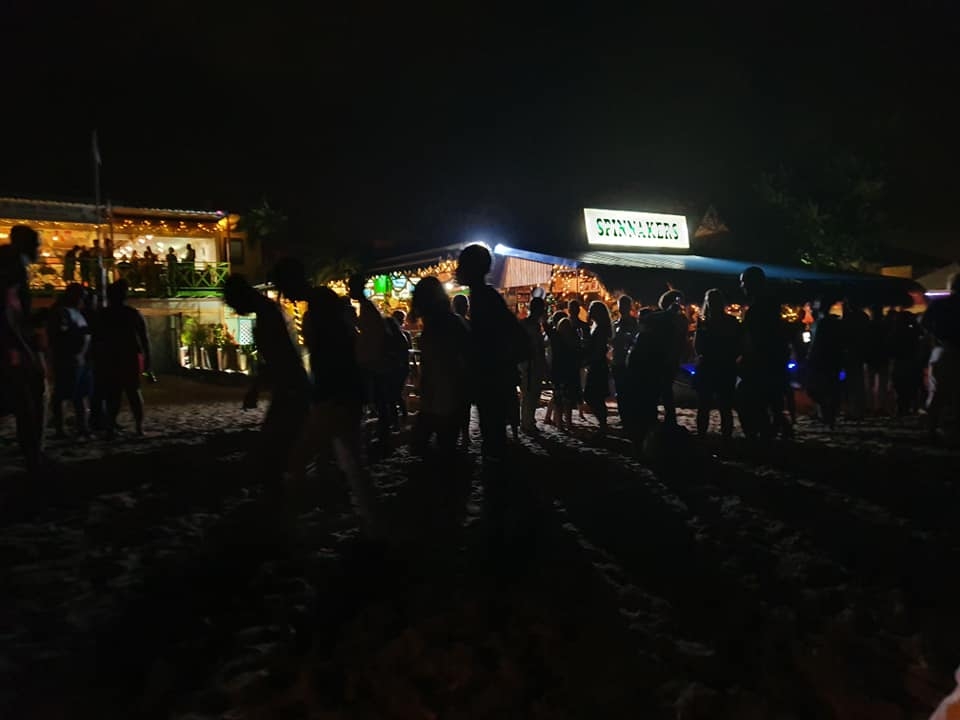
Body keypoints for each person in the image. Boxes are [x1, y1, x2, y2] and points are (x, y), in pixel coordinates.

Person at [271, 260, 380, 538]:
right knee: (351, 461)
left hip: (334, 394)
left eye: (284, 288)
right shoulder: (325, 302)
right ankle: (371, 521)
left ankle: (288, 523)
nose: (285, 295)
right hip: (345, 391)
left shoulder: (318, 307)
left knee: (300, 459)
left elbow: (329, 354)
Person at [455, 244, 528, 537]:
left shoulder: (485, 298)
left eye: (461, 264)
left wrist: (492, 363)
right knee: (492, 436)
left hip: (492, 381)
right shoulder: (483, 297)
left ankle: (500, 509)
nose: (457, 270)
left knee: (493, 437)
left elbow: (509, 339)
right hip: (493, 379)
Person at [224, 274, 310, 495]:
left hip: (290, 385)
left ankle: (280, 490)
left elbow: (275, 357)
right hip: (291, 383)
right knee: (281, 440)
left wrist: (255, 388)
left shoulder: (267, 315)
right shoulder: (269, 311)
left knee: (278, 440)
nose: (235, 309)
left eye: (233, 303)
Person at [0, 225, 47, 473]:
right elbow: (8, 312)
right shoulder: (14, 266)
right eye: (37, 244)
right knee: (29, 400)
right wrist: (22, 344)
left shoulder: (14, 265)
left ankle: (32, 452)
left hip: (15, 342)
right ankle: (33, 454)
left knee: (26, 399)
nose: (40, 250)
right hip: (11, 346)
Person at [410, 276, 470, 455]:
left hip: (443, 396)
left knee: (437, 448)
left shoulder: (438, 326)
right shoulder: (452, 322)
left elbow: (439, 364)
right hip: (449, 396)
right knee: (444, 447)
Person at [738, 266, 790, 440]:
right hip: (771, 362)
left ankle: (761, 436)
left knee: (751, 401)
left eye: (743, 282)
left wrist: (747, 358)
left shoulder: (757, 310)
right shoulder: (771, 305)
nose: (741, 286)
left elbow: (756, 339)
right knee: (769, 402)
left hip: (760, 364)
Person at [95, 280, 150, 438]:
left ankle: (111, 427)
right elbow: (144, 338)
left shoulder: (103, 314)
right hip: (128, 356)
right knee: (133, 392)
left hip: (111, 357)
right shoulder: (132, 314)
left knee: (113, 394)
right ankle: (138, 427)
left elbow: (97, 338)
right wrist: (148, 358)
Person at [693, 289, 741, 439]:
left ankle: (703, 437)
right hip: (724, 366)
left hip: (711, 366)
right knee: (723, 407)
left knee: (706, 406)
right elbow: (738, 345)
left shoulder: (704, 323)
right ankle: (725, 439)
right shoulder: (730, 322)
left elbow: (697, 347)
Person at [48, 283, 92, 438]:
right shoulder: (63, 312)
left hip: (80, 360)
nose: (83, 300)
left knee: (81, 395)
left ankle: (83, 427)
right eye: (82, 297)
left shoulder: (76, 312)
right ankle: (61, 429)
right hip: (69, 360)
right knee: (63, 395)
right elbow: (59, 335)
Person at [921, 272, 960, 441]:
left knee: (937, 392)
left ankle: (931, 428)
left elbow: (924, 323)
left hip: (943, 349)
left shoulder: (940, 304)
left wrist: (936, 337)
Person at [805, 296, 845, 428]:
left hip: (822, 360)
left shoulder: (823, 323)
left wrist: (811, 356)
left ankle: (827, 413)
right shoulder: (831, 322)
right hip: (831, 359)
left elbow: (817, 343)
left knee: (818, 388)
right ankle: (828, 414)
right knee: (829, 388)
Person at [656, 290, 689, 427]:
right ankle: (669, 418)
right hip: (671, 356)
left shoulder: (673, 319)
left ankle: (669, 419)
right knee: (665, 389)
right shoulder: (679, 319)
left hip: (666, 357)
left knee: (665, 389)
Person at [583, 300, 613, 435]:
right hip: (597, 363)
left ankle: (603, 423)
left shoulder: (600, 328)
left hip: (597, 364)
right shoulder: (597, 326)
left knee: (593, 395)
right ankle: (602, 423)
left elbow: (599, 349)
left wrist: (589, 359)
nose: (589, 311)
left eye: (591, 309)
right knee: (595, 396)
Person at [519, 296, 547, 432]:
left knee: (532, 393)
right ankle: (527, 421)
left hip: (531, 362)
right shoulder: (530, 325)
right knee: (530, 393)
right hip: (529, 363)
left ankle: (528, 420)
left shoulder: (531, 324)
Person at [611, 295, 638, 423]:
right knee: (620, 391)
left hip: (629, 362)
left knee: (629, 390)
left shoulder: (634, 323)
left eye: (624, 305)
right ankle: (623, 416)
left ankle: (630, 416)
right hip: (618, 360)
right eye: (620, 305)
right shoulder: (616, 323)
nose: (622, 308)